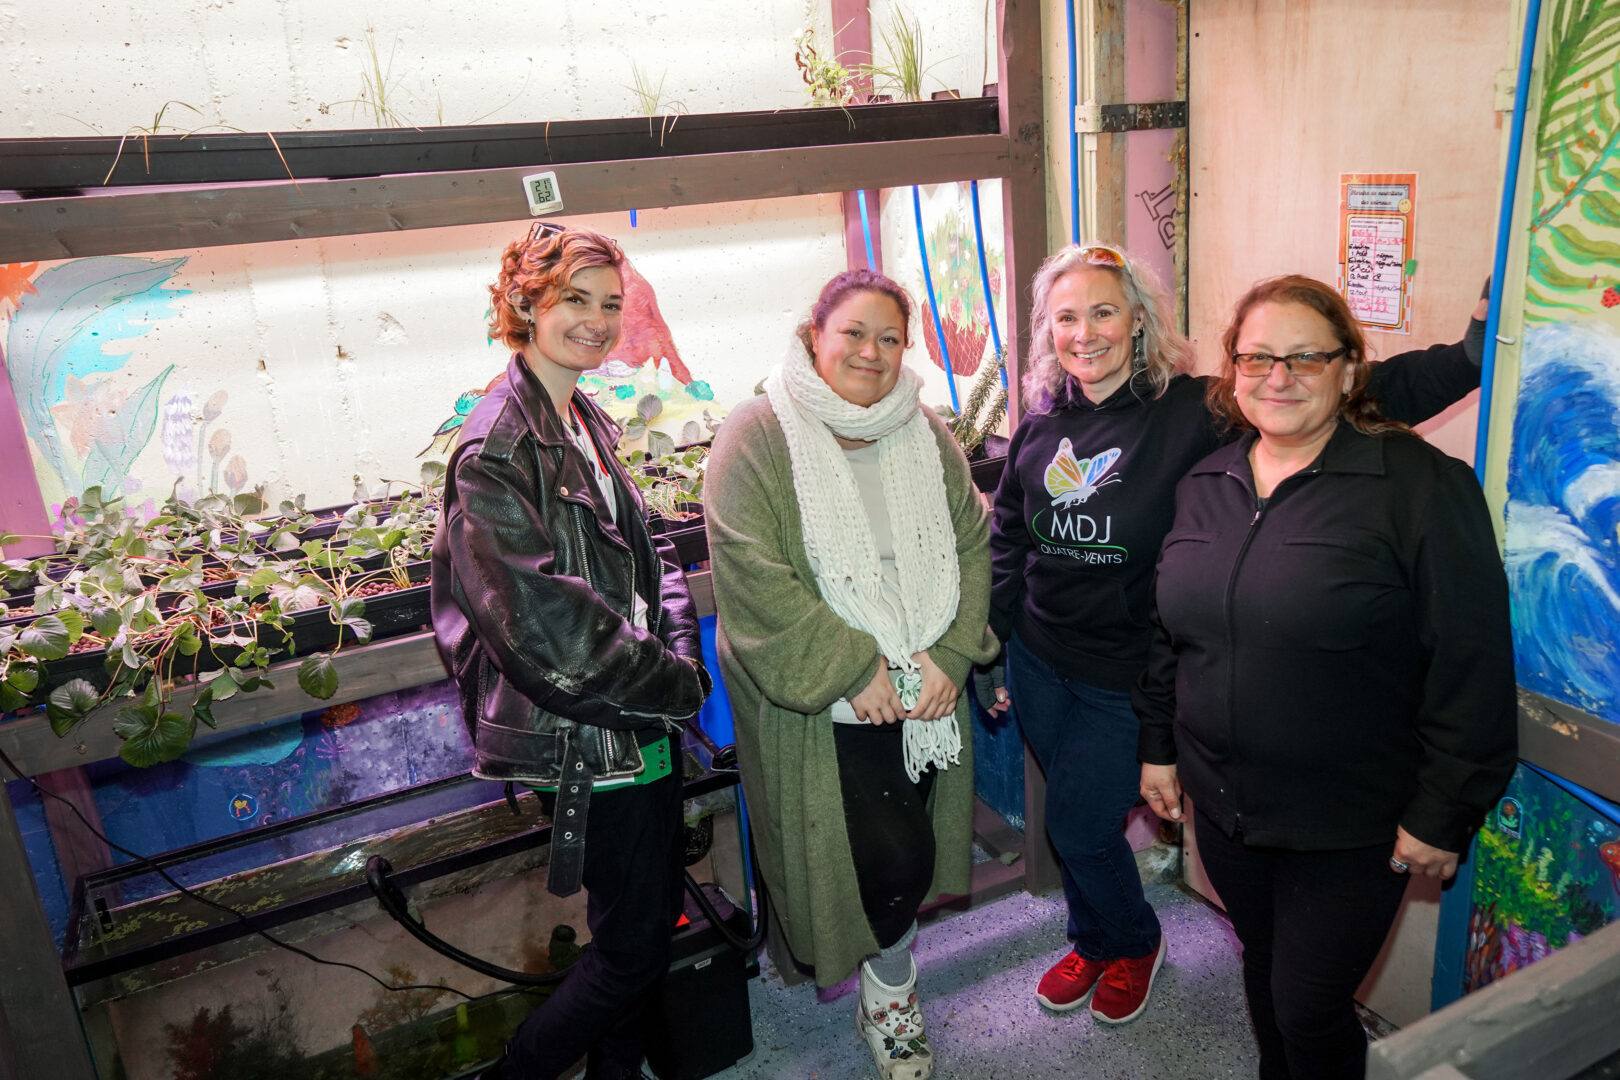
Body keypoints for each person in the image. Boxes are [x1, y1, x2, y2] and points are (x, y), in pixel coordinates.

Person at [989, 244, 1487, 1026]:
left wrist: (1464, 360)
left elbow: (1331, 386)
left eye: (1104, 311)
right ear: (1047, 332)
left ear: (1140, 323)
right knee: (1077, 823)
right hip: (1044, 660)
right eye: (1066, 317)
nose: (1085, 333)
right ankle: (1094, 934)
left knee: (1077, 826)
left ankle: (1131, 938)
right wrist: (995, 645)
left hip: (1130, 674)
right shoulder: (1043, 424)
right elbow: (1010, 538)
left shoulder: (1196, 406)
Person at [1135, 274, 1516, 1079]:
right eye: (1258, 357)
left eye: (1306, 358)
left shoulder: (1416, 485)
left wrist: (1444, 811)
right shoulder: (1207, 484)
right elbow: (1172, 635)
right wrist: (1159, 747)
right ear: (1232, 373)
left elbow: (1472, 661)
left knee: (1308, 1007)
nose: (1279, 377)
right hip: (1228, 808)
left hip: (1352, 820)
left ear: (1350, 370)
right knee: (1265, 973)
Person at [429, 222, 710, 1080]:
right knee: (631, 951)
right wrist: (675, 683)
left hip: (639, 708)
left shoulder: (578, 413)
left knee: (638, 925)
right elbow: (548, 632)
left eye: (610, 305)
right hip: (596, 728)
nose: (596, 321)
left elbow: (648, 549)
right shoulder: (497, 449)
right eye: (573, 301)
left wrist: (676, 651)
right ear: (524, 303)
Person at [704, 269, 999, 1080]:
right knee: (886, 859)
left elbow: (973, 540)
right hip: (828, 701)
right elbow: (750, 572)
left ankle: (888, 979)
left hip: (926, 689)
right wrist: (849, 665)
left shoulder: (925, 429)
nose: (871, 353)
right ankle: (893, 993)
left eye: (890, 338)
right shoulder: (758, 433)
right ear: (814, 337)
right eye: (854, 334)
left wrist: (949, 654)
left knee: (911, 846)